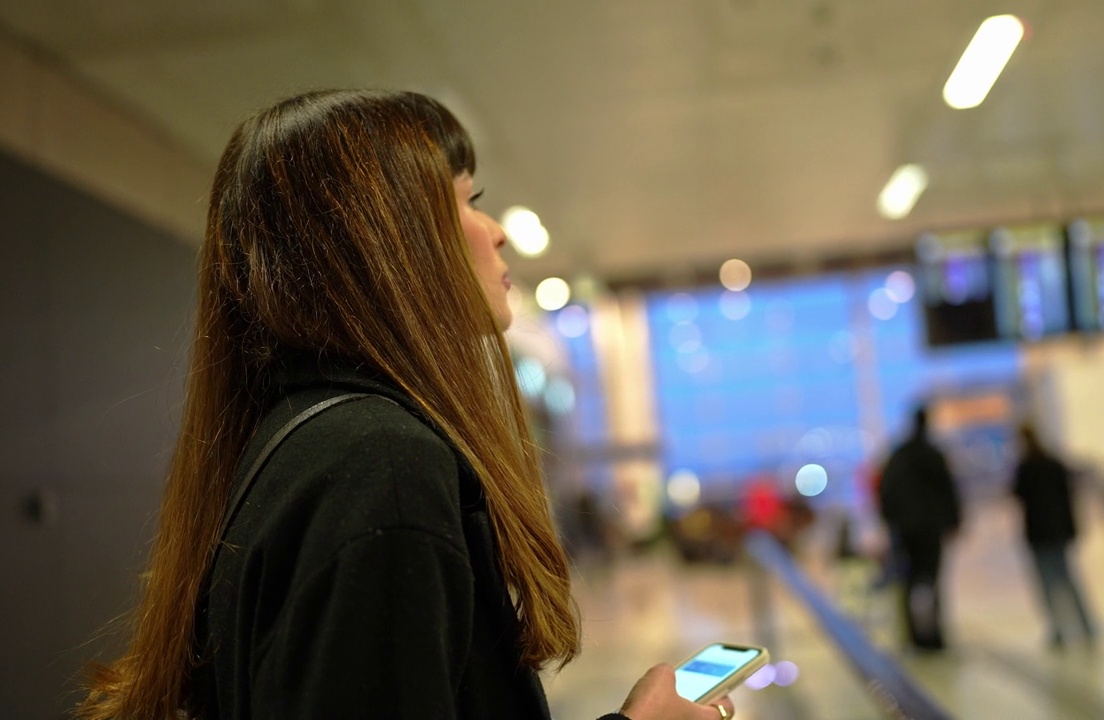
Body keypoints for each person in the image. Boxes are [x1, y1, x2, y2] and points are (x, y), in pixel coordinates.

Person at [76, 90, 734, 720]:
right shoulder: (382, 465)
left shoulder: (302, 441)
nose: (496, 231)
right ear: (386, 246)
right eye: (465, 203)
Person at [877, 406, 961, 652]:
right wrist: (953, 521)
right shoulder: (932, 454)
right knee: (932, 582)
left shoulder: (899, 456)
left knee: (908, 582)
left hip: (906, 529)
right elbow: (948, 492)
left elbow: (886, 491)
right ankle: (934, 635)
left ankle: (913, 635)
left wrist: (891, 520)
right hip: (929, 529)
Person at [1011, 424, 1097, 648]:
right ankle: (1086, 626)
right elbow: (1068, 496)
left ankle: (1058, 629)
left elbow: (1016, 494)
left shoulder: (1027, 467)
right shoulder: (1052, 463)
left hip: (1040, 533)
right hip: (1057, 530)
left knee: (1048, 583)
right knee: (1068, 580)